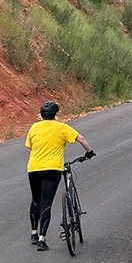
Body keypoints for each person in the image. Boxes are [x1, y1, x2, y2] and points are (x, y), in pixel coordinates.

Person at [25, 101, 94, 251]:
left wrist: (37, 159)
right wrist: (89, 152)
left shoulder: (34, 127)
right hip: (52, 169)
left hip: (33, 168)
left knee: (36, 199)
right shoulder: (61, 127)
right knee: (46, 202)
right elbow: (80, 138)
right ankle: (42, 240)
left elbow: (29, 148)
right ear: (56, 114)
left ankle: (34, 233)